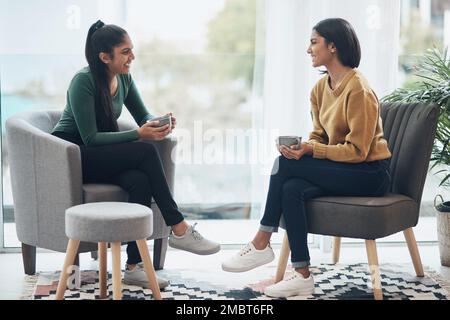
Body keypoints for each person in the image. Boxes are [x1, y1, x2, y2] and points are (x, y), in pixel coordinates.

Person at [221, 18, 392, 298]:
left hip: (370, 174)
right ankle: (302, 273)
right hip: (342, 168)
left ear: (333, 46)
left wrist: (312, 151)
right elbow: (319, 137)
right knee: (291, 186)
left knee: (286, 165)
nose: (308, 49)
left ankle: (262, 240)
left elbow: (359, 152)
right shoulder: (319, 89)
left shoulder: (358, 89)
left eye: (314, 42)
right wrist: (305, 147)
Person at [51, 20, 220, 290]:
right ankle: (178, 226)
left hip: (101, 155)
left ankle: (133, 267)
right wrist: (140, 134)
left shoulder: (124, 78)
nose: (133, 57)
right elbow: (90, 138)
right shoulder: (83, 81)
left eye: (132, 50)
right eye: (126, 52)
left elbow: (142, 115)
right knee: (143, 150)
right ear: (105, 57)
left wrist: (158, 122)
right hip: (72, 156)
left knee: (140, 179)